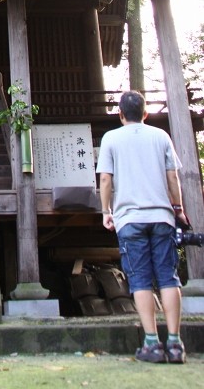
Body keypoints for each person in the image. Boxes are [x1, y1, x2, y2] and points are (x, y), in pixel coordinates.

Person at [96, 90, 189, 364]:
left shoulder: (111, 138)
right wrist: (178, 208)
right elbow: (172, 177)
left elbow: (105, 179)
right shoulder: (161, 136)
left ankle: (151, 343)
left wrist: (106, 211)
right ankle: (175, 343)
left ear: (120, 114)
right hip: (161, 217)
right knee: (167, 277)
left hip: (129, 218)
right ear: (145, 113)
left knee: (139, 280)